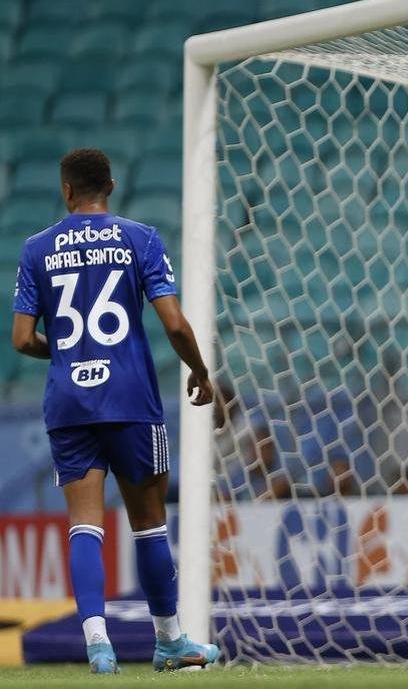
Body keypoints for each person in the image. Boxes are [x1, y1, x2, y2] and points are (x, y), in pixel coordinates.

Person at [10, 148, 219, 673]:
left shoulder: (36, 249)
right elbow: (174, 324)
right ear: (111, 185)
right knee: (147, 524)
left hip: (69, 402)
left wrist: (64, 351)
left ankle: (98, 645)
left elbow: (20, 339)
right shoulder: (140, 238)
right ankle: (170, 641)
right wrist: (199, 370)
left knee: (84, 525)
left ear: (66, 191)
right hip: (130, 399)